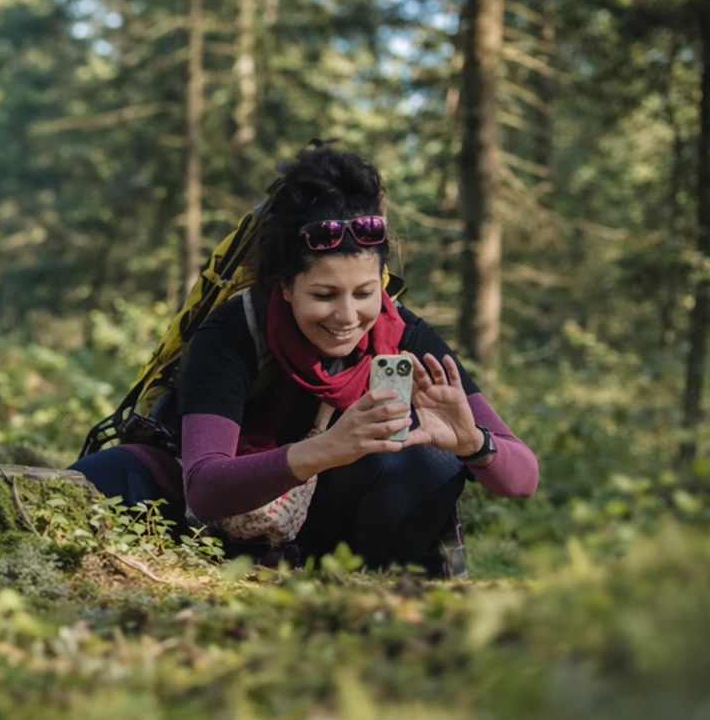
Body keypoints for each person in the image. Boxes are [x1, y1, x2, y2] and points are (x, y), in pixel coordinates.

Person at [70, 144, 538, 576]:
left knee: (426, 463)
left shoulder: (406, 336)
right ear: (286, 287)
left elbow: (523, 477)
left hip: (326, 535)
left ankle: (372, 596)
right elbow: (206, 488)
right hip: (207, 520)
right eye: (324, 294)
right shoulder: (233, 332)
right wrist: (328, 448)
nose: (347, 316)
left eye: (365, 292)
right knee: (101, 478)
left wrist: (472, 442)